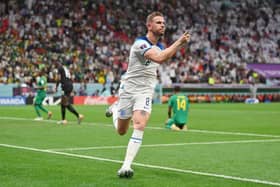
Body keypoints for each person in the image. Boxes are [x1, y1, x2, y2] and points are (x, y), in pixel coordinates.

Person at [106, 11, 191, 178]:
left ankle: (126, 166)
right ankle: (116, 109)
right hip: (128, 90)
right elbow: (159, 58)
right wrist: (179, 42)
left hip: (144, 92)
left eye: (163, 23)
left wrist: (178, 45)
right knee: (121, 131)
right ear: (149, 25)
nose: (162, 25)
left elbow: (164, 55)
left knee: (139, 125)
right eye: (158, 22)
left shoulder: (158, 47)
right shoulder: (140, 44)